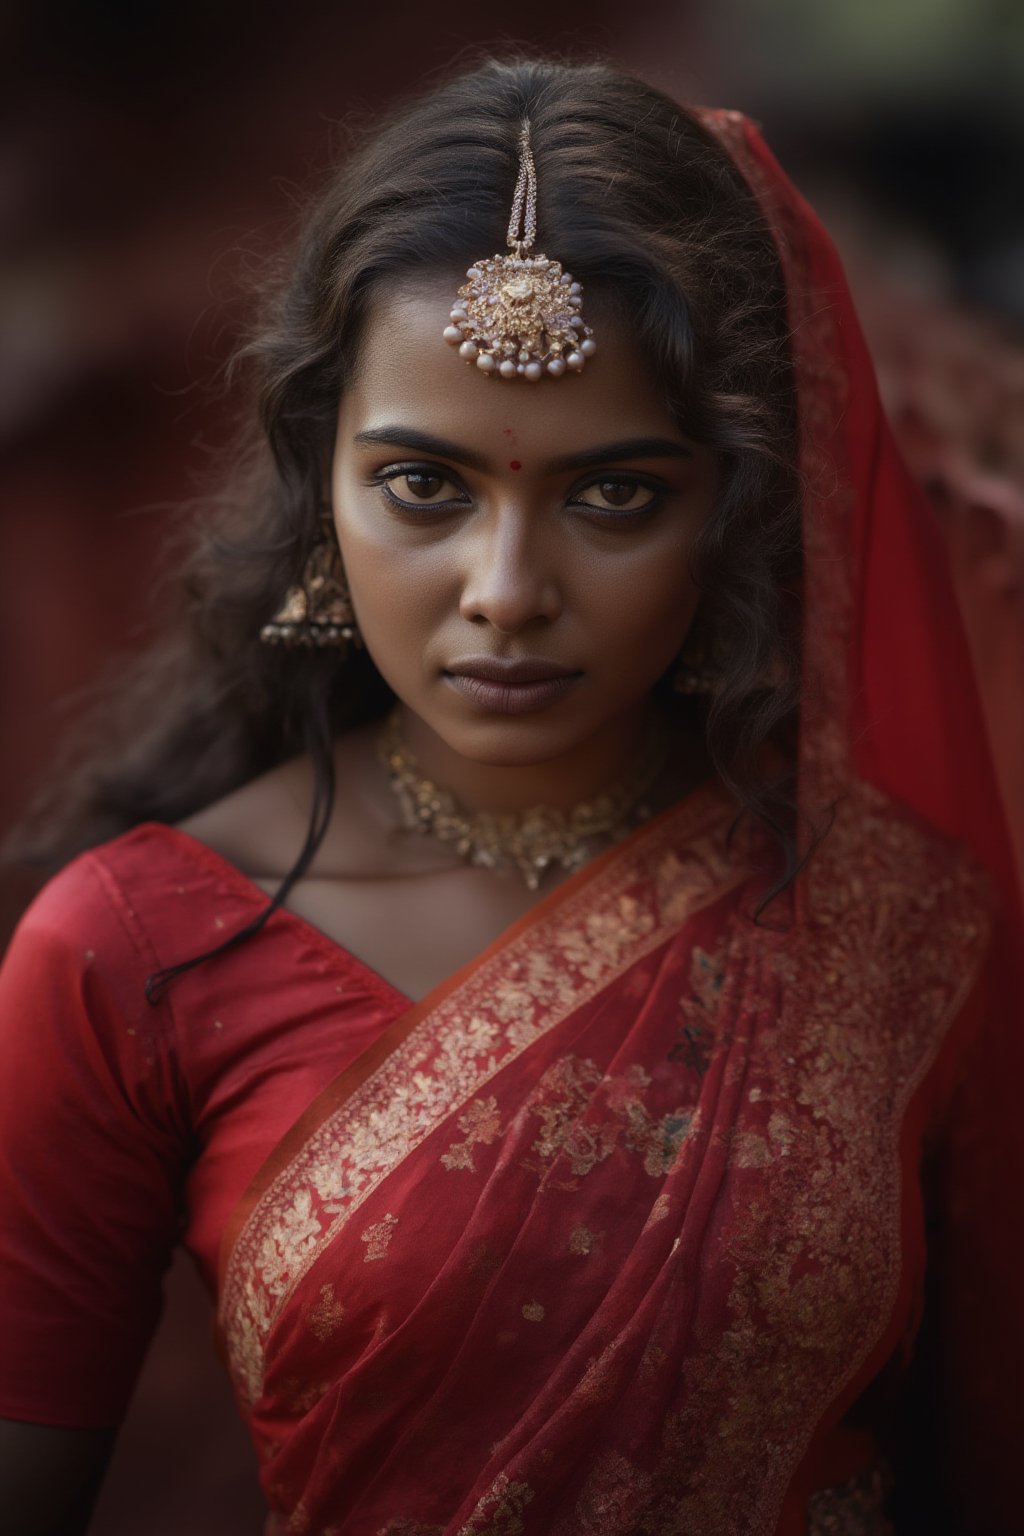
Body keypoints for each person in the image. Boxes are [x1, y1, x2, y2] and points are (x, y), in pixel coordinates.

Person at [0, 55, 1020, 1536]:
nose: (507, 592)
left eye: (616, 495)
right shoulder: (130, 950)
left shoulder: (898, 926)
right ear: (318, 484)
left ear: (732, 507)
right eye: (424, 487)